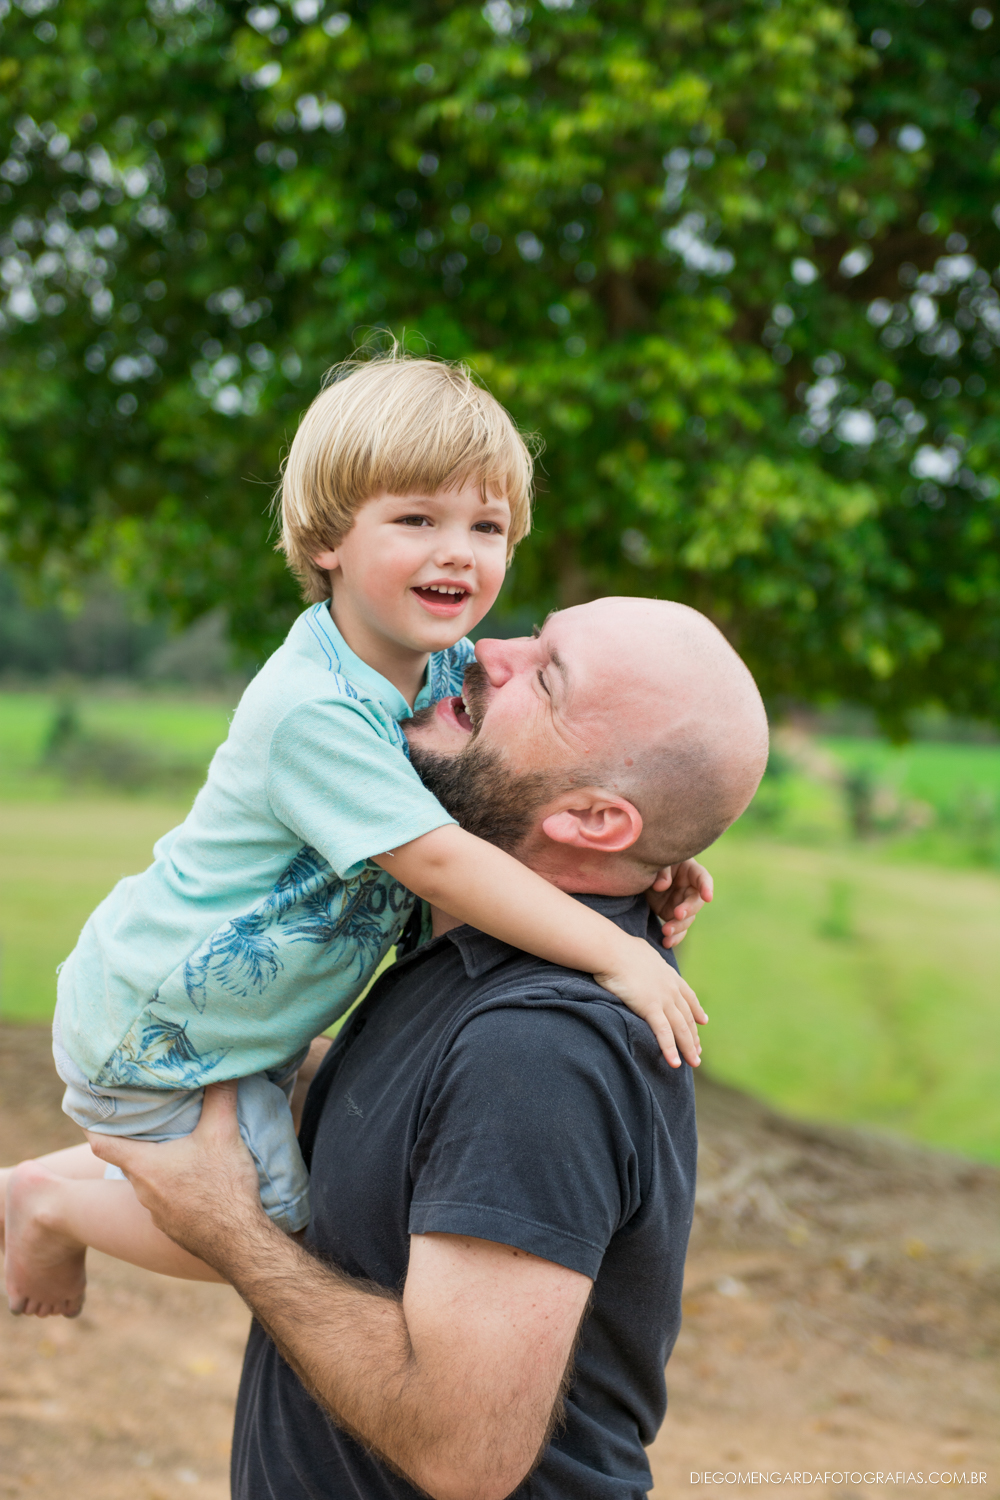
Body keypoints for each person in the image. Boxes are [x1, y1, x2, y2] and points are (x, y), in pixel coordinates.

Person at [2, 355, 710, 1320]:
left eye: (486, 526)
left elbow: (513, 798)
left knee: (250, 1160)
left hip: (245, 1024)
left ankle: (53, 1184)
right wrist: (612, 955)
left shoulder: (442, 672)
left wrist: (645, 859)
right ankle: (45, 1208)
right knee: (274, 1223)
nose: (458, 551)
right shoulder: (314, 709)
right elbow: (439, 857)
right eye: (418, 520)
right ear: (328, 539)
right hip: (162, 1018)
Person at [89, 597, 769, 1500]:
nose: (487, 649)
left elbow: (464, 1452)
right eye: (532, 634)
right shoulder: (466, 949)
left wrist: (231, 1231)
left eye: (545, 675)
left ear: (596, 823)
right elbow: (418, 1131)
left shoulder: (538, 1048)